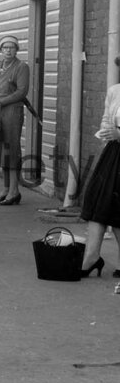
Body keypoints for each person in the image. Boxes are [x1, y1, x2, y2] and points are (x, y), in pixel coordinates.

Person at [79, 69, 120, 278]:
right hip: (114, 152)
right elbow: (106, 118)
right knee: (98, 200)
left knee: (117, 205)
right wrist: (107, 132)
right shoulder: (115, 91)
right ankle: (91, 256)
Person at [0, 35, 30, 205]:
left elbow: (21, 92)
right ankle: (5, 189)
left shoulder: (21, 67)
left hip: (12, 111)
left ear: (17, 49)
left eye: (12, 47)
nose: (8, 50)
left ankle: (14, 190)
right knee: (1, 148)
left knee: (11, 149)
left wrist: (1, 101)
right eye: (5, 48)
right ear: (1, 50)